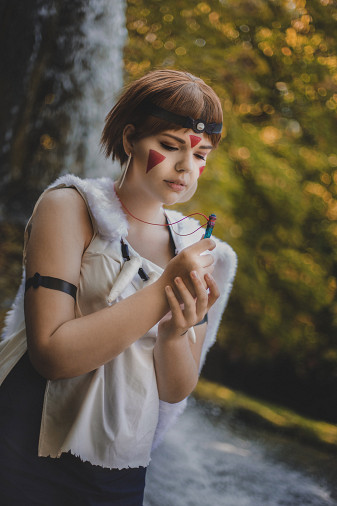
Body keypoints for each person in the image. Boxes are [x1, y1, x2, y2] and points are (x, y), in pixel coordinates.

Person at [0, 69, 237, 505]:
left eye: (201, 154)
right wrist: (164, 286)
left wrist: (174, 334)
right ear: (130, 140)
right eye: (169, 146)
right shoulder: (70, 206)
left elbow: (174, 389)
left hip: (119, 461)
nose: (187, 167)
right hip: (25, 438)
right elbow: (51, 356)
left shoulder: (202, 250)